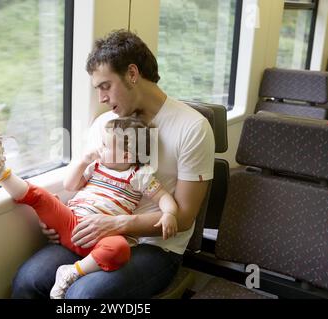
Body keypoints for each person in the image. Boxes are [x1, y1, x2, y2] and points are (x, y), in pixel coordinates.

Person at [11, 29, 215, 298]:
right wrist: (60, 220)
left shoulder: (192, 127)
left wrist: (117, 224)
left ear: (132, 74)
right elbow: (84, 185)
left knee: (83, 296)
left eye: (105, 86)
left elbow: (185, 217)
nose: (102, 99)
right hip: (94, 234)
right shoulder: (105, 124)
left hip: (156, 247)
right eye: (97, 90)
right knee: (28, 279)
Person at [0, 116, 179, 299]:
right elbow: (70, 185)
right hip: (70, 221)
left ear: (126, 157)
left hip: (100, 237)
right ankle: (0, 172)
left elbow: (163, 198)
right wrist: (83, 160)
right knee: (41, 197)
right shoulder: (96, 167)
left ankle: (72, 272)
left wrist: (169, 213)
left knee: (120, 249)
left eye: (105, 145)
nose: (99, 148)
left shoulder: (139, 176)